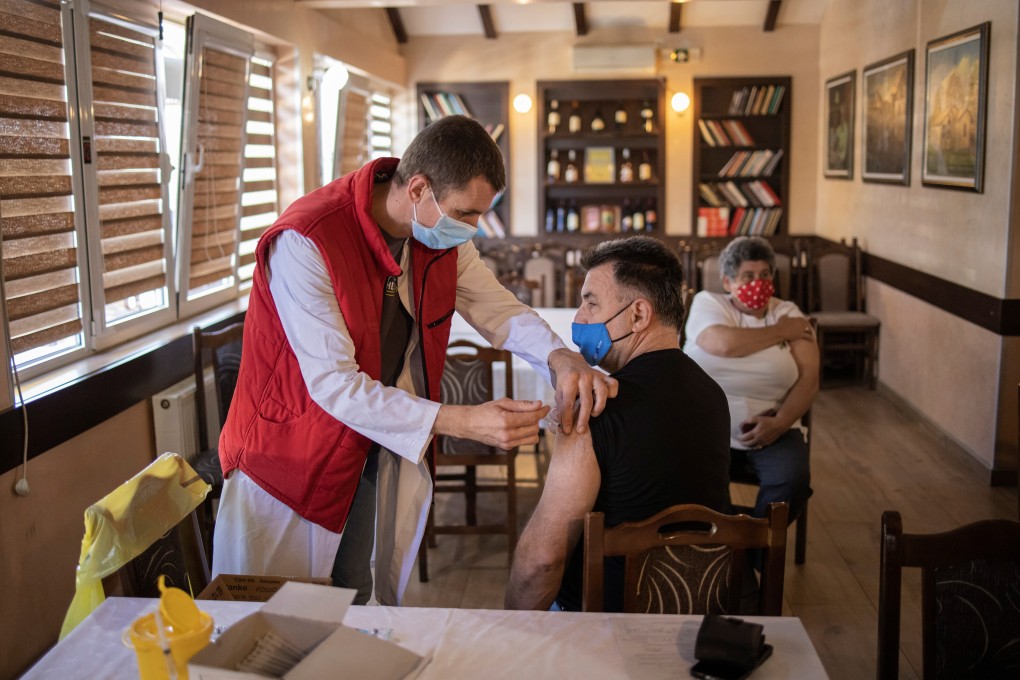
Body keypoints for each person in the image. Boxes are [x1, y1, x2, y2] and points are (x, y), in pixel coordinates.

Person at [212, 115, 616, 606]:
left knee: (352, 597)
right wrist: (462, 421)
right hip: (287, 455)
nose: (471, 230)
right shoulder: (307, 239)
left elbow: (498, 309)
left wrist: (559, 357)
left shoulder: (437, 237)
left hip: (363, 447)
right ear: (420, 188)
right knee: (272, 618)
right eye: (465, 214)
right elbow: (335, 385)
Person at [504, 236, 731, 612]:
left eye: (591, 302)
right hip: (696, 607)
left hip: (604, 621)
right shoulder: (713, 395)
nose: (578, 318)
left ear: (639, 315)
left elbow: (541, 562)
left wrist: (508, 637)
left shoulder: (594, 406)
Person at [683, 236, 818, 525]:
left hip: (774, 427)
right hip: (706, 428)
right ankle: (733, 547)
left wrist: (780, 423)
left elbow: (810, 378)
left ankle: (756, 554)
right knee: (690, 479)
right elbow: (722, 343)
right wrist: (783, 332)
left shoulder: (788, 312)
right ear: (728, 282)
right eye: (748, 276)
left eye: (765, 275)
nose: (759, 283)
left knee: (793, 479)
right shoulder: (709, 303)